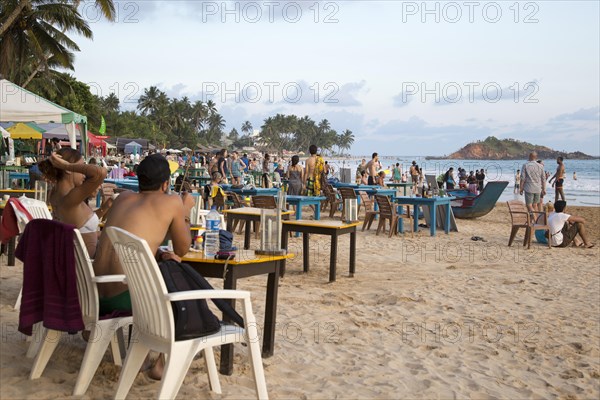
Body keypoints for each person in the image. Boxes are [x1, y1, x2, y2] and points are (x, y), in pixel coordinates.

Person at [93, 154, 196, 379]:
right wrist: (185, 210)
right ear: (166, 183)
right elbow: (182, 249)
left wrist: (157, 251)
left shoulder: (123, 198)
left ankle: (143, 353)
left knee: (160, 271)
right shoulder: (172, 202)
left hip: (96, 294)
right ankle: (161, 360)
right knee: (180, 282)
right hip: (126, 297)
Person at [38, 148, 108, 257]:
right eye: (80, 168)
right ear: (68, 170)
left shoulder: (54, 193)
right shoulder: (69, 199)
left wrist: (105, 208)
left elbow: (80, 229)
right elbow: (101, 172)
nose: (84, 174)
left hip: (79, 258)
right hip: (89, 265)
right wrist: (67, 166)